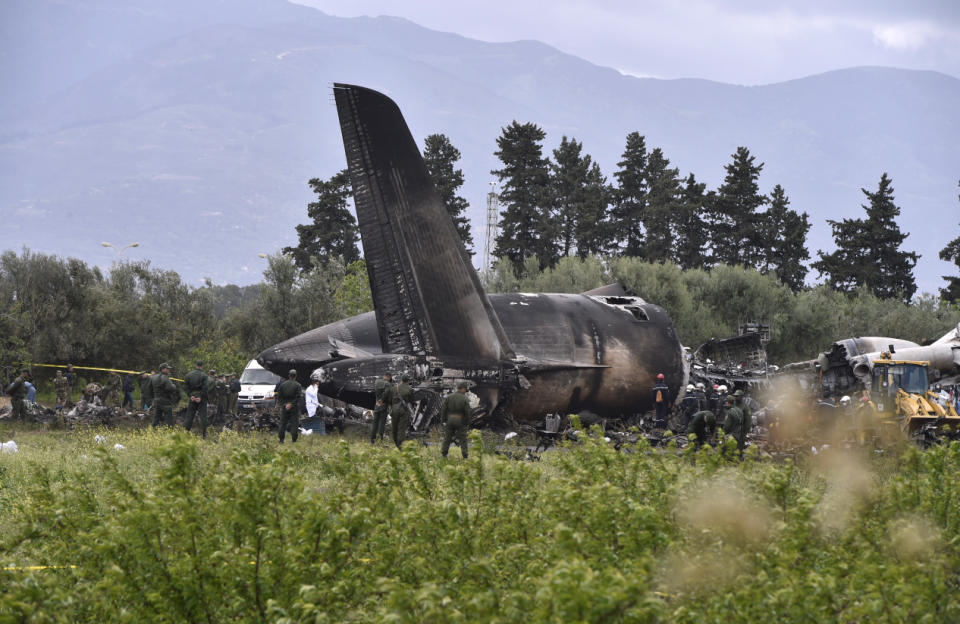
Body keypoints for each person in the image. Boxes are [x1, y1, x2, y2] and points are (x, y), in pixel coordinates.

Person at [441, 381, 471, 459]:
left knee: (447, 437)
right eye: (466, 390)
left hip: (450, 419)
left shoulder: (449, 397)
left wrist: (444, 420)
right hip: (460, 419)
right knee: (463, 439)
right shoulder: (465, 398)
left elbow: (444, 409)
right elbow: (467, 412)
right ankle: (465, 455)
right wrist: (467, 422)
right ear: (463, 389)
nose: (466, 392)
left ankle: (444, 454)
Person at [183, 361, 211, 437]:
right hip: (201, 399)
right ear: (202, 366)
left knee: (189, 416)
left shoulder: (188, 375)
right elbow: (205, 388)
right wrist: (200, 397)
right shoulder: (204, 376)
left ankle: (186, 433)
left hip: (192, 397)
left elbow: (185, 387)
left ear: (196, 365)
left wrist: (190, 396)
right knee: (203, 416)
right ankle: (205, 435)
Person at [277, 369, 303, 443]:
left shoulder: (283, 385)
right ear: (296, 376)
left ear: (289, 375)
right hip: (294, 407)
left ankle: (281, 439)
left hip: (285, 407)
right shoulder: (298, 385)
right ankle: (294, 440)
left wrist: (285, 404)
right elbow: (298, 397)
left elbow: (279, 397)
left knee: (282, 423)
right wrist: (291, 404)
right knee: (294, 423)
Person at [150, 363, 179, 427]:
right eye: (167, 369)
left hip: (157, 399)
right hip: (165, 400)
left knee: (156, 417)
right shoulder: (165, 377)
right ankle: (170, 431)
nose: (169, 370)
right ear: (163, 369)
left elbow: (150, 388)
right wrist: (174, 386)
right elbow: (170, 388)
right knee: (169, 418)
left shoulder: (154, 377)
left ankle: (152, 429)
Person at [391, 373, 414, 448]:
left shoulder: (395, 388)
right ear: (408, 380)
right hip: (403, 410)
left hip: (394, 409)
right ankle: (399, 444)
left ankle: (395, 441)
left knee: (394, 426)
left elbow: (390, 399)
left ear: (401, 379)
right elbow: (411, 400)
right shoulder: (410, 389)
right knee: (401, 427)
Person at [371, 372, 392, 443]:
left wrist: (379, 401)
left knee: (375, 422)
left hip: (376, 405)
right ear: (388, 377)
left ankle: (372, 439)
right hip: (383, 405)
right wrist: (382, 400)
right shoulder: (388, 384)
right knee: (382, 423)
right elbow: (387, 393)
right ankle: (380, 439)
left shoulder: (377, 382)